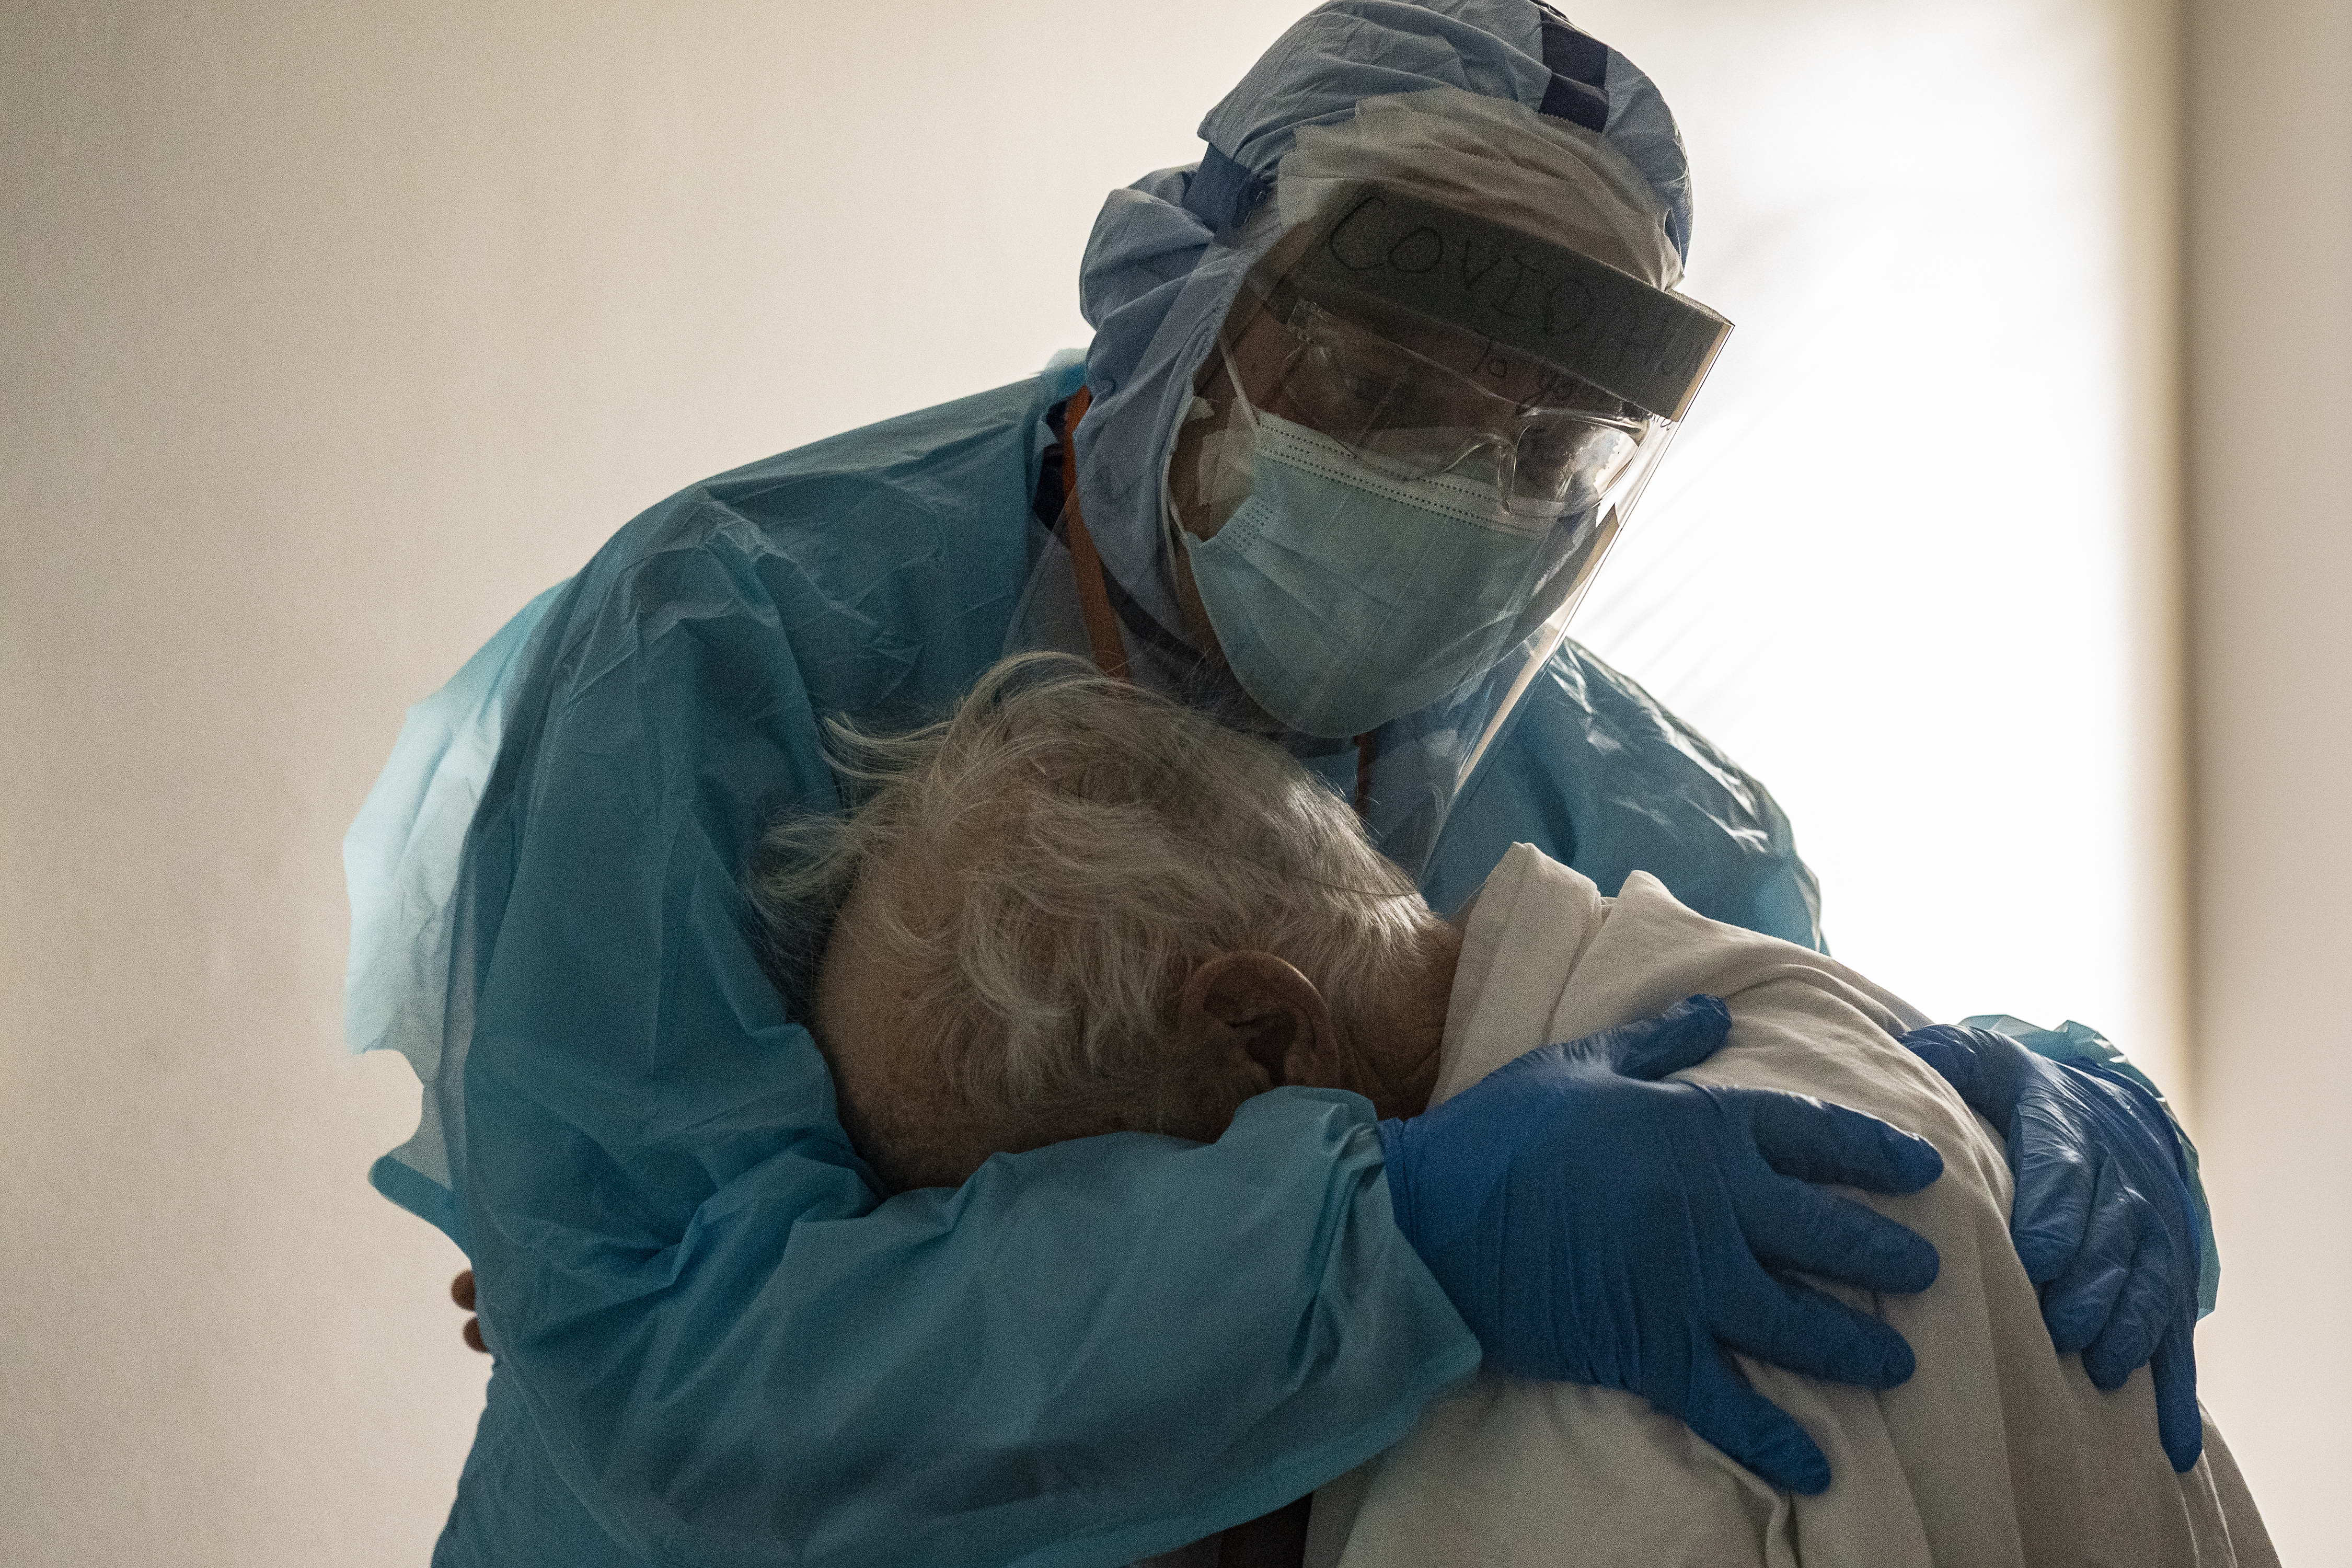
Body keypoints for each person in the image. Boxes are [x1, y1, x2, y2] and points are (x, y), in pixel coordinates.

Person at [350, 4, 2214, 1563]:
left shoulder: (1649, 813)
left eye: (1552, 441)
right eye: (1384, 387)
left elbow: (1776, 1178)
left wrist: (1977, 1108)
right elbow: (662, 1351)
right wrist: (1382, 1238)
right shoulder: (734, 636)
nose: (1460, 487)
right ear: (1177, 301)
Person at [754, 653, 2271, 1568]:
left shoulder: (1582, 1420)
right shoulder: (1785, 1021)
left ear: (1266, 1037)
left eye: (1082, 1218)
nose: (1119, 1334)